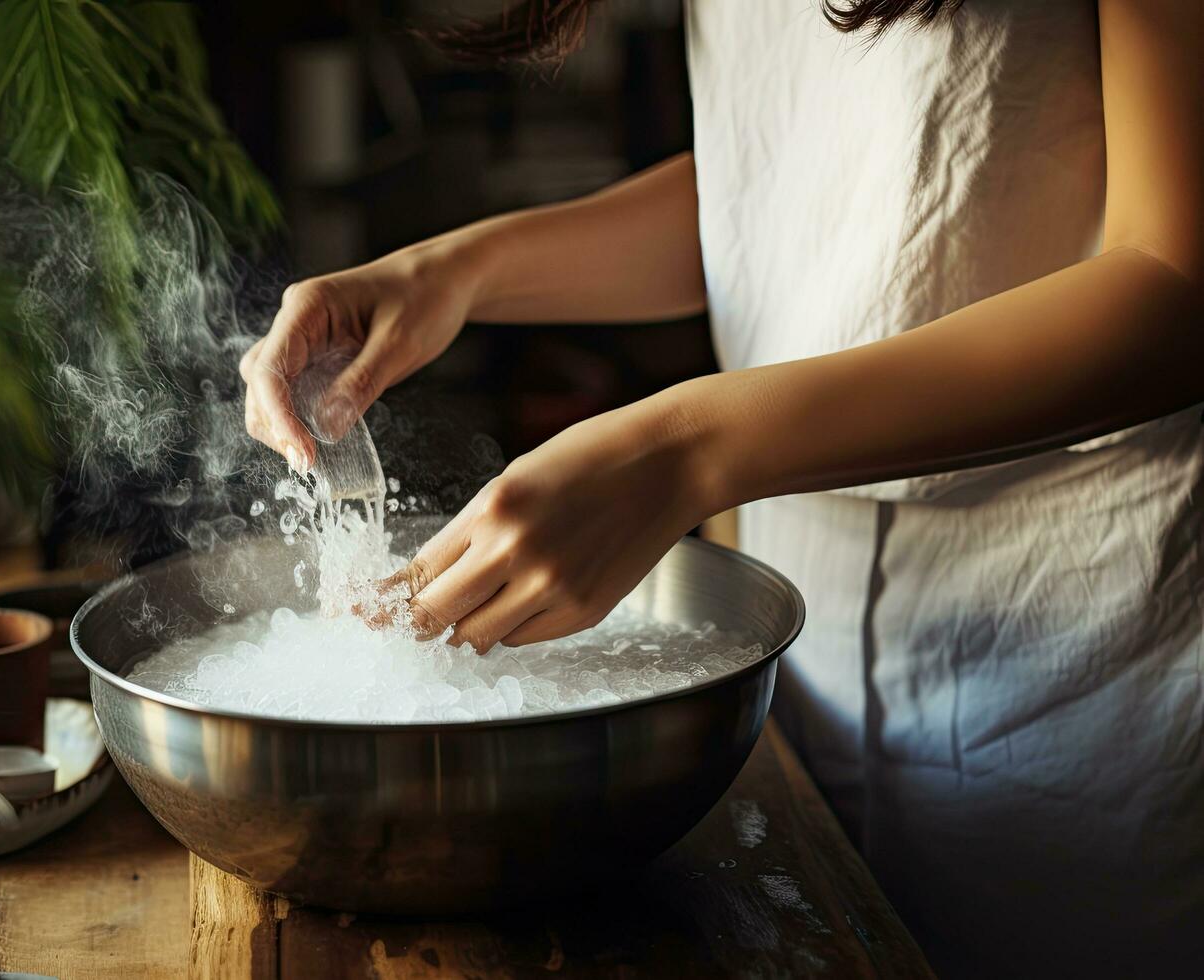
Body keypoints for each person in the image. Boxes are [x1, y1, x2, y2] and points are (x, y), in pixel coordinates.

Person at [240, 1, 1202, 975]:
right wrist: (454, 270)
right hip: (803, 652)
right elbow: (798, 188)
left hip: (1088, 657)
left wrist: (686, 449)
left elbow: (1178, 279)